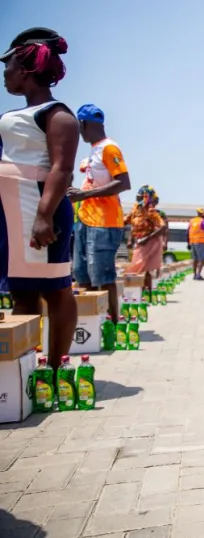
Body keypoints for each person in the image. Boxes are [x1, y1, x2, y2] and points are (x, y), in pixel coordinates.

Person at [0, 27, 78, 374]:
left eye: (10, 64)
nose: (5, 72)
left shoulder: (57, 114)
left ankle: (57, 367)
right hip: (13, 212)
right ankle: (25, 370)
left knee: (55, 289)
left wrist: (44, 216)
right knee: (22, 290)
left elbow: (62, 170)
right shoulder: (16, 115)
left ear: (27, 69)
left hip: (37, 210)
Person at [68, 104, 131, 324]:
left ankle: (113, 324)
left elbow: (123, 182)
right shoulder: (94, 149)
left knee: (102, 276)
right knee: (81, 274)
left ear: (83, 124)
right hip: (85, 220)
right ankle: (87, 324)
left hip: (104, 223)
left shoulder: (109, 148)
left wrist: (84, 195)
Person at [124, 186, 165, 293]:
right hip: (139, 242)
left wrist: (146, 238)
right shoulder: (135, 209)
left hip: (150, 242)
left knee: (142, 269)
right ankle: (142, 293)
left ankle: (145, 293)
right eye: (137, 197)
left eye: (140, 197)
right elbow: (126, 222)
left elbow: (163, 227)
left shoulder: (151, 211)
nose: (137, 199)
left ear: (146, 197)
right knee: (139, 268)